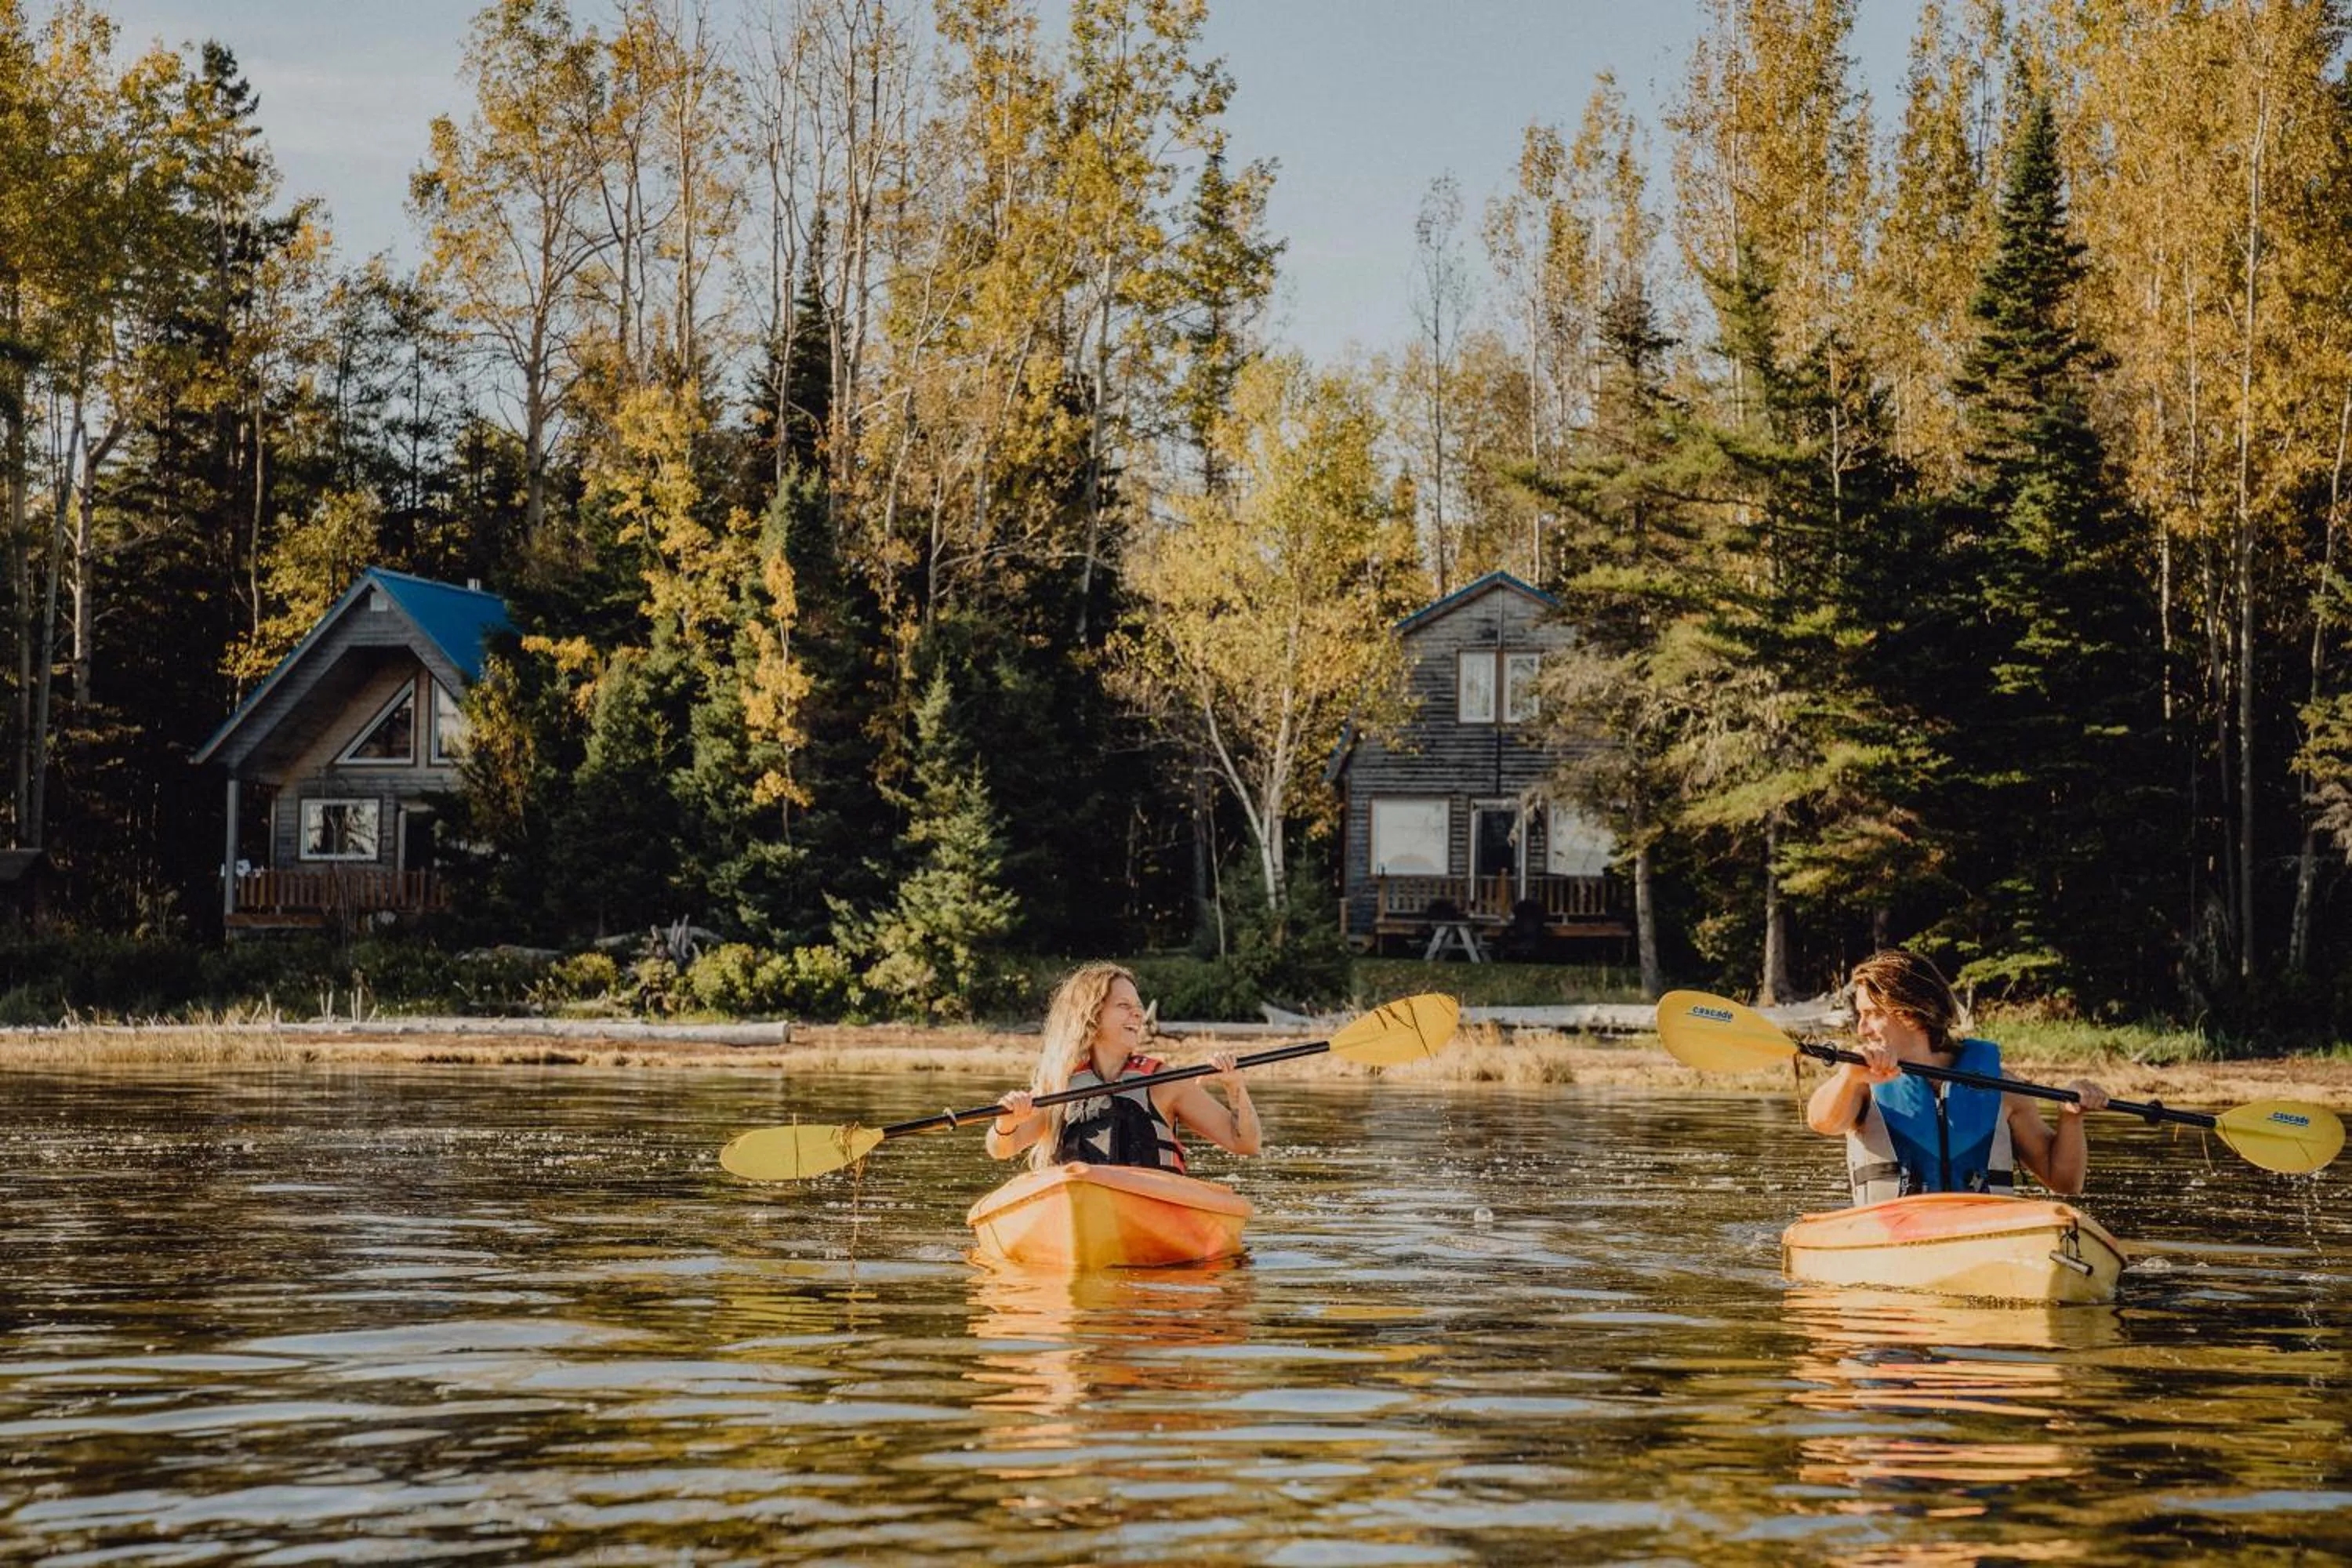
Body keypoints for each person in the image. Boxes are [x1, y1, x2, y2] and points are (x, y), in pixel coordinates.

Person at [1805, 949, 2110, 1203]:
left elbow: (2065, 1181)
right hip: (1889, 1234)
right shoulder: (1860, 1084)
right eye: (1861, 1015)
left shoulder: (2004, 1087)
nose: (1862, 1029)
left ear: (1910, 1013)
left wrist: (2071, 1118)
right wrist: (1848, 1078)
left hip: (1980, 1236)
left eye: (1872, 1014)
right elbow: (1822, 1121)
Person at [987, 963, 1261, 1171]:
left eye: (1139, 1007)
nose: (1138, 1014)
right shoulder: (1060, 1084)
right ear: (1092, 1016)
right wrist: (1006, 1123)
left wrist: (1234, 1086)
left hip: (1149, 1206)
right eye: (1124, 1005)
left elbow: (1245, 1143)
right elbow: (1001, 1149)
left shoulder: (1165, 1082)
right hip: (1082, 1204)